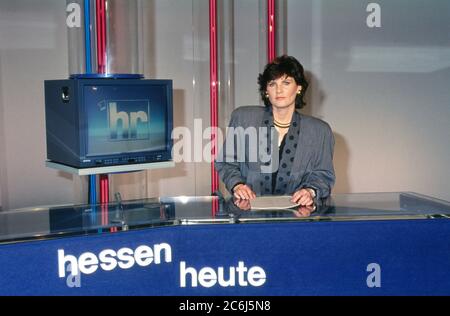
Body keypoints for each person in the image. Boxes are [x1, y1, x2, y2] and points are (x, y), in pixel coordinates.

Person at [215, 55, 335, 206]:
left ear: (299, 88)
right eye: (272, 84)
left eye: (286, 82)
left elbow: (324, 174)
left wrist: (310, 191)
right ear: (266, 90)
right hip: (249, 215)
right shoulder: (243, 119)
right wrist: (237, 185)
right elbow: (226, 162)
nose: (279, 90)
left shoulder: (319, 131)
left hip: (298, 218)